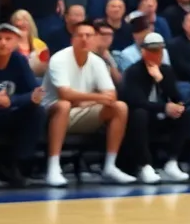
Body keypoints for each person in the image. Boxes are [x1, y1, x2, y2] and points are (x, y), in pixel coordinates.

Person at [42, 21, 137, 186]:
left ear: (96, 40)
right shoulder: (59, 59)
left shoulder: (98, 62)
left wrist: (85, 101)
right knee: (64, 105)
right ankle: (53, 167)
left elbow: (112, 95)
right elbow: (65, 94)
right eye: (80, 35)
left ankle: (110, 166)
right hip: (50, 114)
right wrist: (97, 98)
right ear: (72, 39)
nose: (84, 39)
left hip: (82, 111)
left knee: (120, 107)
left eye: (89, 36)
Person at [119, 32, 190, 183]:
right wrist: (164, 108)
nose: (155, 55)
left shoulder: (166, 71)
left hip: (160, 116)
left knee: (184, 113)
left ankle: (172, 162)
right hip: (138, 119)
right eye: (152, 51)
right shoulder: (134, 72)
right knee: (140, 114)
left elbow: (176, 98)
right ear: (143, 52)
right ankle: (145, 165)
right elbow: (136, 101)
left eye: (158, 51)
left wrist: (161, 80)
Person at [0, 22, 45, 186]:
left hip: (7, 113)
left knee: (37, 112)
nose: (3, 42)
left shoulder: (19, 61)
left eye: (8, 38)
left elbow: (35, 92)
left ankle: (18, 166)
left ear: (16, 43)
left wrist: (12, 100)